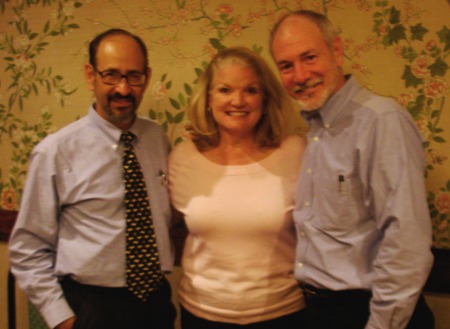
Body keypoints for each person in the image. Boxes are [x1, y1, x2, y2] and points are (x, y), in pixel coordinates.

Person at [270, 10, 435, 329]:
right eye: (286, 66)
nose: (300, 75)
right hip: (321, 310)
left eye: (309, 57)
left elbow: (407, 243)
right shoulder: (316, 131)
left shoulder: (380, 121)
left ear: (337, 50)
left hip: (368, 312)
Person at [9, 29, 176, 329]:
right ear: (90, 75)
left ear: (147, 77)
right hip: (92, 309)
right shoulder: (55, 152)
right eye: (111, 75)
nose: (123, 88)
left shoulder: (156, 138)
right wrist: (63, 318)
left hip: (155, 303)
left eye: (133, 76)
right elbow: (27, 249)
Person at [168, 46, 307, 328]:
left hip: (282, 314)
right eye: (225, 90)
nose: (238, 100)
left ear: (265, 98)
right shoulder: (182, 157)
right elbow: (172, 227)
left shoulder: (295, 152)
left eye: (251, 90)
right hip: (202, 315)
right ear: (208, 98)